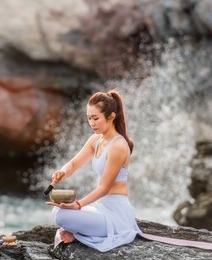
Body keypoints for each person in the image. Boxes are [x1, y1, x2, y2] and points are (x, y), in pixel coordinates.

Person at [45, 89, 141, 252]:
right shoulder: (96, 139)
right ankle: (82, 232)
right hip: (100, 208)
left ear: (111, 116)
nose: (92, 123)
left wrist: (78, 205)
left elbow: (104, 188)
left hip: (116, 214)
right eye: (89, 118)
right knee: (58, 211)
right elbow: (74, 164)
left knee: (63, 215)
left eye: (95, 118)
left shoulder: (118, 146)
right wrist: (62, 172)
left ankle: (80, 235)